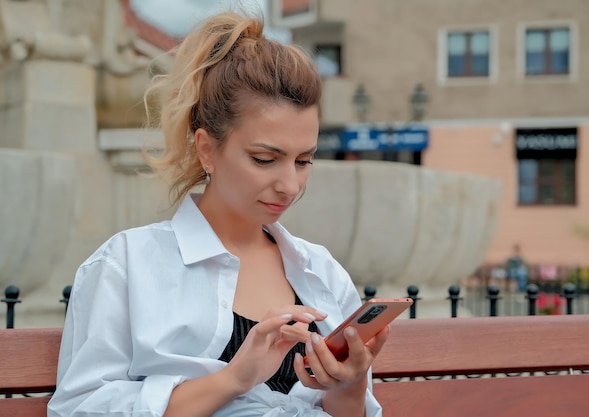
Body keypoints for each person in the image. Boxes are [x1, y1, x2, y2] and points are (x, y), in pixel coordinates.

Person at [47, 11, 388, 417]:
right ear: (207, 149)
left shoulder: (322, 272)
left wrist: (349, 386)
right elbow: (80, 409)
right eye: (265, 159)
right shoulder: (127, 265)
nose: (290, 186)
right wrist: (234, 378)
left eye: (304, 161)